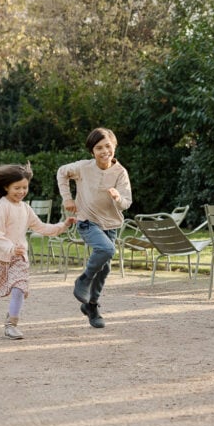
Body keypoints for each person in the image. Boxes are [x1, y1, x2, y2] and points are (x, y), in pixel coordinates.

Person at [0, 163, 75, 340]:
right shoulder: (2, 206)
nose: (21, 191)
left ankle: (11, 324)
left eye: (24, 187)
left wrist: (62, 226)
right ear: (6, 187)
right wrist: (10, 248)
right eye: (17, 188)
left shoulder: (25, 208)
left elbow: (41, 227)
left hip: (19, 257)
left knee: (19, 287)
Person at [57, 127, 132, 329]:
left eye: (108, 146)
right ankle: (84, 279)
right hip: (87, 220)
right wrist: (67, 199)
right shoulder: (83, 168)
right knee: (107, 250)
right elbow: (61, 172)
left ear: (114, 146)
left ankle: (91, 306)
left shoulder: (120, 173)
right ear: (92, 152)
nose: (104, 151)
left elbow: (127, 202)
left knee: (105, 267)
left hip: (111, 225)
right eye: (99, 148)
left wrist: (117, 198)